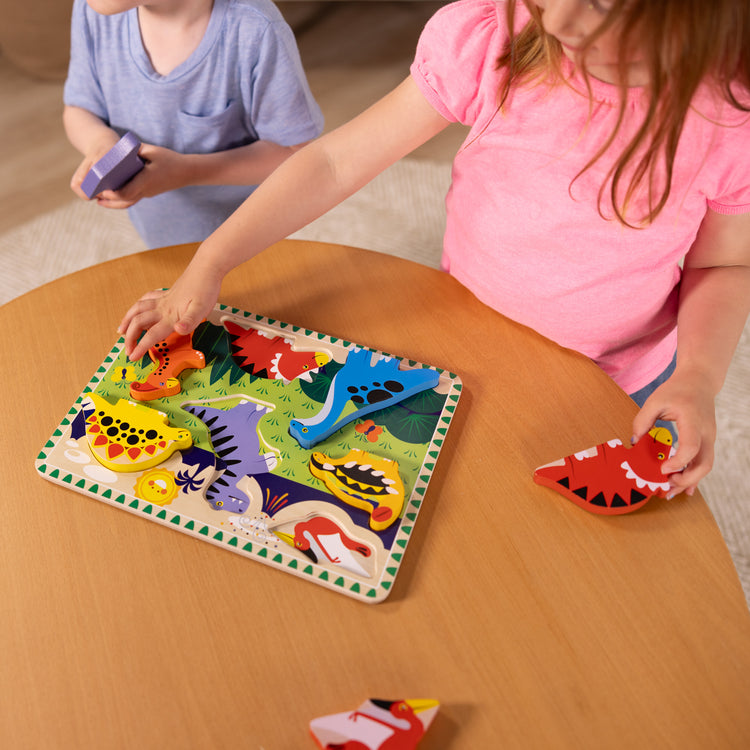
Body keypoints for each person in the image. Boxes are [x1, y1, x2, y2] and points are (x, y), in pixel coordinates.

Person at [119, 0, 750, 499]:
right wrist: (211, 261)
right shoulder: (493, 37)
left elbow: (724, 264)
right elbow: (333, 161)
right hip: (463, 328)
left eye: (601, 3)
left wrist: (697, 377)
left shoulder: (731, 123)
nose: (556, 19)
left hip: (611, 376)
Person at [63, 0, 323, 248]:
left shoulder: (254, 29)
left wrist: (188, 171)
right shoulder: (93, 11)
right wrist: (100, 142)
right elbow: (79, 108)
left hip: (251, 238)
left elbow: (295, 156)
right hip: (161, 233)